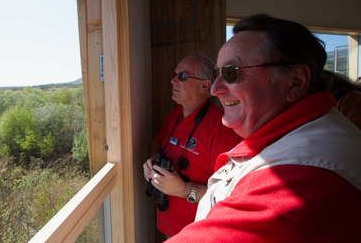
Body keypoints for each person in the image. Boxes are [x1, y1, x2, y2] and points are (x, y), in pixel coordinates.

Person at [166, 14, 361, 242]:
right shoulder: (312, 134)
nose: (216, 89)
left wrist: (184, 191)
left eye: (232, 72)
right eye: (219, 73)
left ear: (295, 81)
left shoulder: (295, 181)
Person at [143, 55, 241, 238]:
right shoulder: (174, 114)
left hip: (199, 234)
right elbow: (157, 141)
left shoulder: (222, 128)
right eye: (174, 75)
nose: (173, 80)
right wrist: (152, 161)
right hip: (168, 227)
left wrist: (183, 190)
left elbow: (229, 193)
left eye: (182, 76)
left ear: (205, 86)